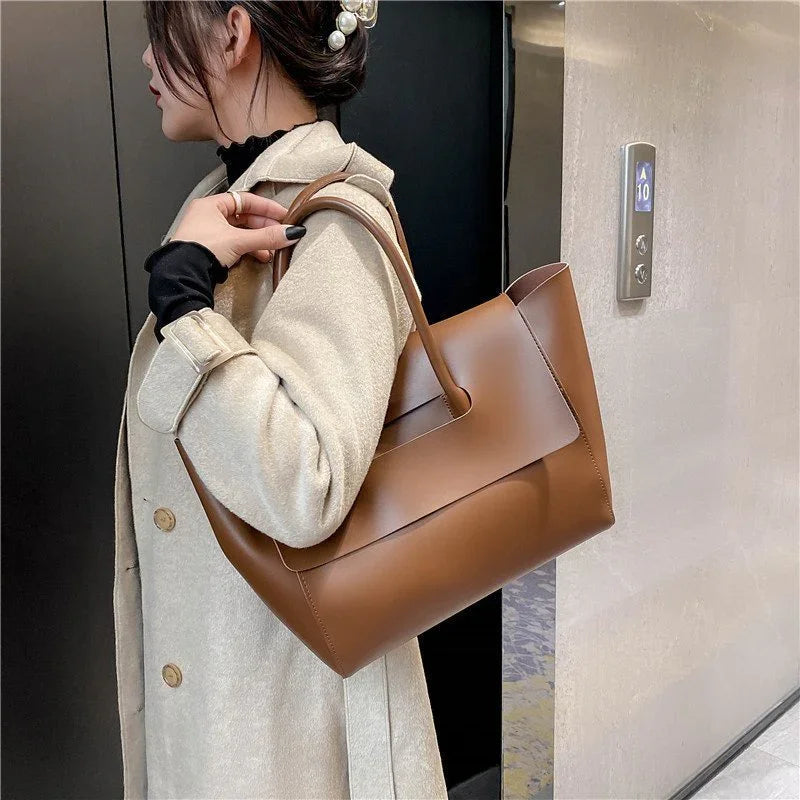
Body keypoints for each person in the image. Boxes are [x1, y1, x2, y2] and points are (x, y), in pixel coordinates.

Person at [113, 2, 447, 798]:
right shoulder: (224, 207)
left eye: (165, 30)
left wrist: (187, 303)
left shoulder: (339, 221)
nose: (147, 62)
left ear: (232, 34)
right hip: (239, 703)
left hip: (289, 731)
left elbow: (307, 483)